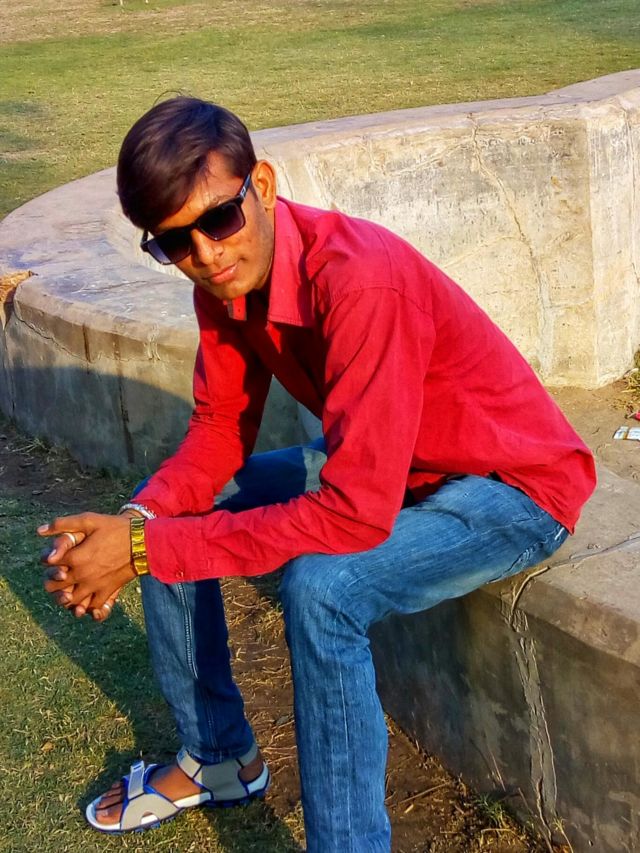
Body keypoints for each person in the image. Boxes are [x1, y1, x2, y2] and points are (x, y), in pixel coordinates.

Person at [39, 97, 596, 852]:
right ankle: (219, 757)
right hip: (395, 469)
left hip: (514, 488)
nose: (205, 254)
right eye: (174, 242)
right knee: (163, 511)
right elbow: (219, 429)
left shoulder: (359, 281)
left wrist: (140, 551)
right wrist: (139, 526)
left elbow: (355, 514)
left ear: (262, 186)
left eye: (219, 219)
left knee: (322, 589)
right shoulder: (224, 284)